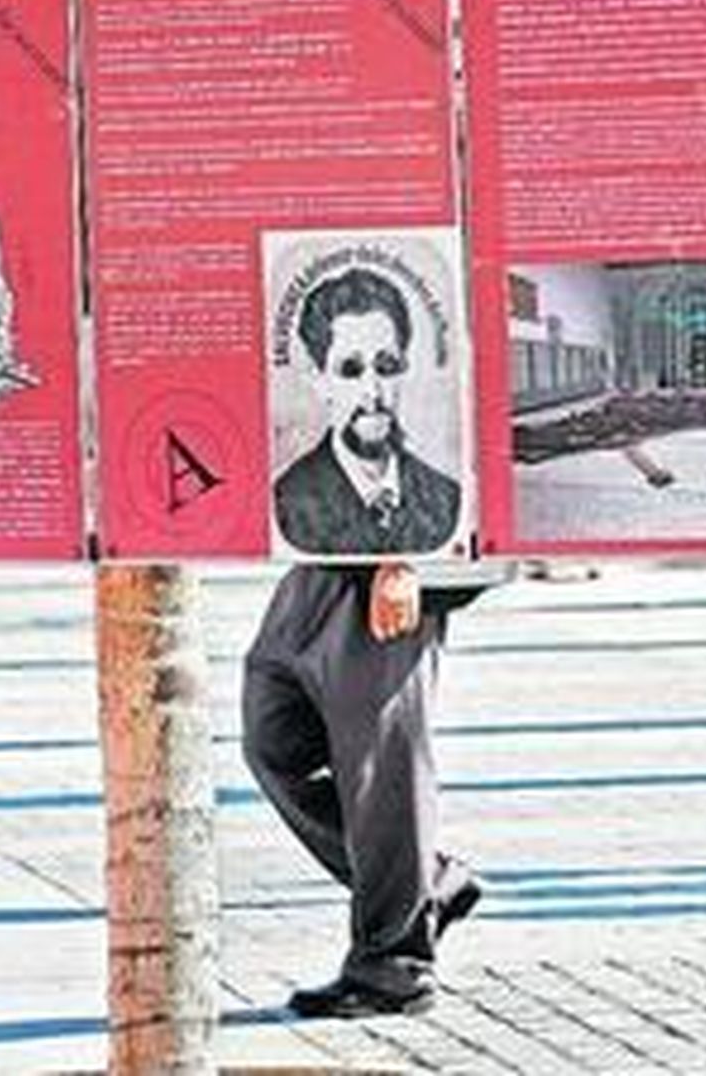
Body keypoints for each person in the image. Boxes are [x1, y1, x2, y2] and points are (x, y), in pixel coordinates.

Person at [243, 560, 483, 1017]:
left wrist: (415, 561)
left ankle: (395, 968)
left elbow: (487, 489)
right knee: (272, 745)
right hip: (315, 556)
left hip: (388, 576)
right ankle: (428, 886)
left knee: (381, 776)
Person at [274, 267, 460, 555]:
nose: (372, 393)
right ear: (319, 380)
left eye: (386, 367)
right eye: (351, 370)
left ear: (403, 370)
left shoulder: (446, 498)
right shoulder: (286, 503)